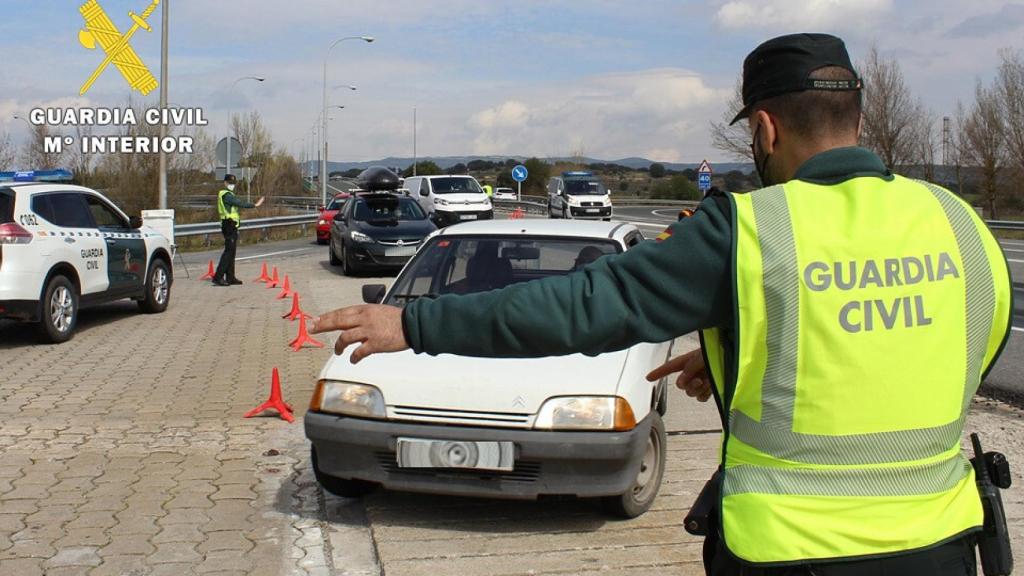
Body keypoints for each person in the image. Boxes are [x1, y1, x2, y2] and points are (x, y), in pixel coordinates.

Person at [311, 33, 1012, 575]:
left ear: (765, 130)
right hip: (944, 548)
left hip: (793, 554)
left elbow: (583, 305)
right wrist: (737, 350)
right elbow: (957, 353)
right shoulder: (959, 223)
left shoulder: (750, 229)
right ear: (857, 116)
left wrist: (416, 321)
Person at [213, 174, 264, 286]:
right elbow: (239, 203)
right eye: (230, 183)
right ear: (225, 183)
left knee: (232, 252)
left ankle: (230, 277)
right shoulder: (226, 194)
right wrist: (254, 205)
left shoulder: (229, 194)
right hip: (228, 225)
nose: (232, 185)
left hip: (232, 225)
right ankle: (218, 276)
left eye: (233, 184)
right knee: (228, 252)